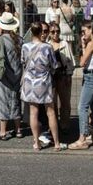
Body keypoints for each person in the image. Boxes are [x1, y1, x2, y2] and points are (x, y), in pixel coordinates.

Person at [20, 22, 62, 151]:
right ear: (40, 32)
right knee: (51, 112)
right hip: (43, 81)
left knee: (34, 113)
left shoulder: (25, 47)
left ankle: (36, 143)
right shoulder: (47, 47)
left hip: (29, 82)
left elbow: (23, 62)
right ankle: (56, 143)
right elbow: (54, 65)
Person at [69, 21, 93, 150]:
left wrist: (84, 45)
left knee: (82, 107)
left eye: (84, 31)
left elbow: (82, 62)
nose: (83, 33)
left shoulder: (92, 43)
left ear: (91, 29)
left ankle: (82, 138)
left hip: (91, 76)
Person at [0, 12, 22, 140]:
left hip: (4, 74)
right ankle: (18, 130)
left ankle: (3, 132)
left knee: (2, 101)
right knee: (15, 100)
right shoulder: (19, 39)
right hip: (17, 73)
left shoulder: (0, 39)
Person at [48, 21, 74, 134]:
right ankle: (53, 125)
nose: (55, 34)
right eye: (53, 32)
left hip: (63, 76)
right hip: (51, 77)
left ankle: (65, 125)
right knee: (52, 102)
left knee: (65, 103)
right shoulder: (47, 45)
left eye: (57, 32)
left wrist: (69, 74)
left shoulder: (65, 44)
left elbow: (70, 61)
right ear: (49, 33)